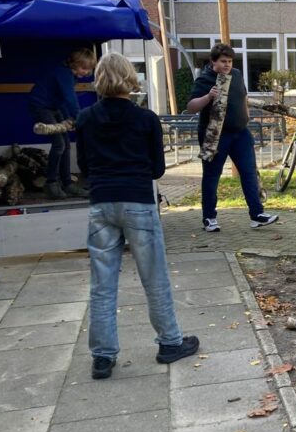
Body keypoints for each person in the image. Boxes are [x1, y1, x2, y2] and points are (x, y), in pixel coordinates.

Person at [75, 53, 200, 380]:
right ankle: (170, 342)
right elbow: (158, 168)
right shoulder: (146, 120)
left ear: (99, 80)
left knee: (102, 283)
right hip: (138, 202)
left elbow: (84, 168)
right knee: (153, 276)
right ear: (130, 78)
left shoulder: (85, 118)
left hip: (101, 203)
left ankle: (102, 357)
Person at [186, 43, 278, 232]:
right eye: (223, 62)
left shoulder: (236, 75)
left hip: (240, 133)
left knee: (249, 172)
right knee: (212, 176)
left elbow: (243, 95)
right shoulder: (205, 79)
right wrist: (208, 97)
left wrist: (246, 116)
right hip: (215, 135)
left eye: (229, 61)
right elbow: (191, 107)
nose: (227, 65)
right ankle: (209, 218)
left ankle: (257, 214)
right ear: (213, 62)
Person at [27, 46, 95, 200]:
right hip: (41, 106)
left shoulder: (69, 74)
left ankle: (67, 184)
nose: (85, 72)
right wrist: (79, 118)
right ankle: (51, 184)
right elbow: (70, 98)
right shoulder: (64, 73)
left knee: (66, 145)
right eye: (83, 67)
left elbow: (63, 100)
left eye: (88, 69)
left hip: (53, 107)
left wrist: (68, 117)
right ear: (74, 63)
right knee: (59, 144)